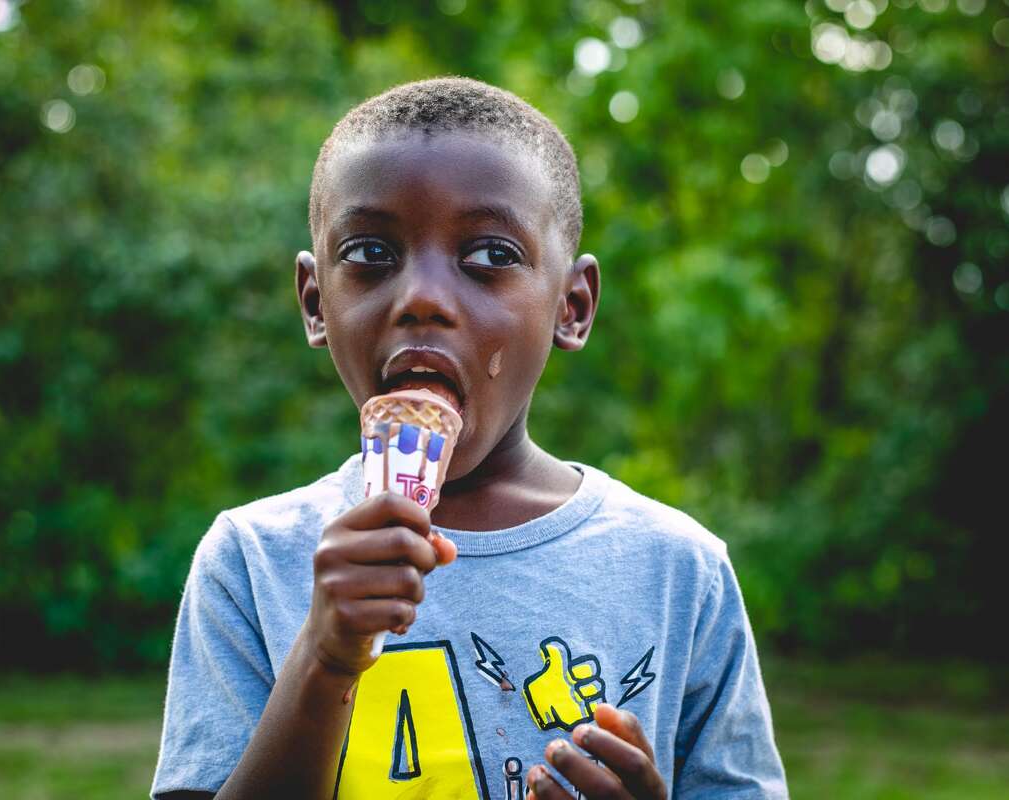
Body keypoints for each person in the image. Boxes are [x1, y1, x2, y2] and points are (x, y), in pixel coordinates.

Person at [151, 77, 787, 800]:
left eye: (489, 256)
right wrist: (324, 657)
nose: (422, 297)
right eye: (370, 252)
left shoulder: (679, 573)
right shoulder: (254, 562)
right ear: (314, 300)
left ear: (571, 307)